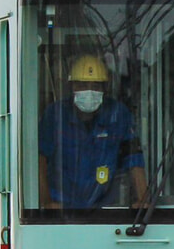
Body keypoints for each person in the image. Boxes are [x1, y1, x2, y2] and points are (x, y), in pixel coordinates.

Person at [38, 54, 148, 208]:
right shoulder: (56, 115)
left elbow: (133, 157)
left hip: (106, 209)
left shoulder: (117, 114)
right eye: (82, 85)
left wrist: (143, 201)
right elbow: (40, 160)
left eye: (95, 86)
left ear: (105, 88)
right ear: (72, 87)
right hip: (62, 209)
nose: (89, 91)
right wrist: (46, 202)